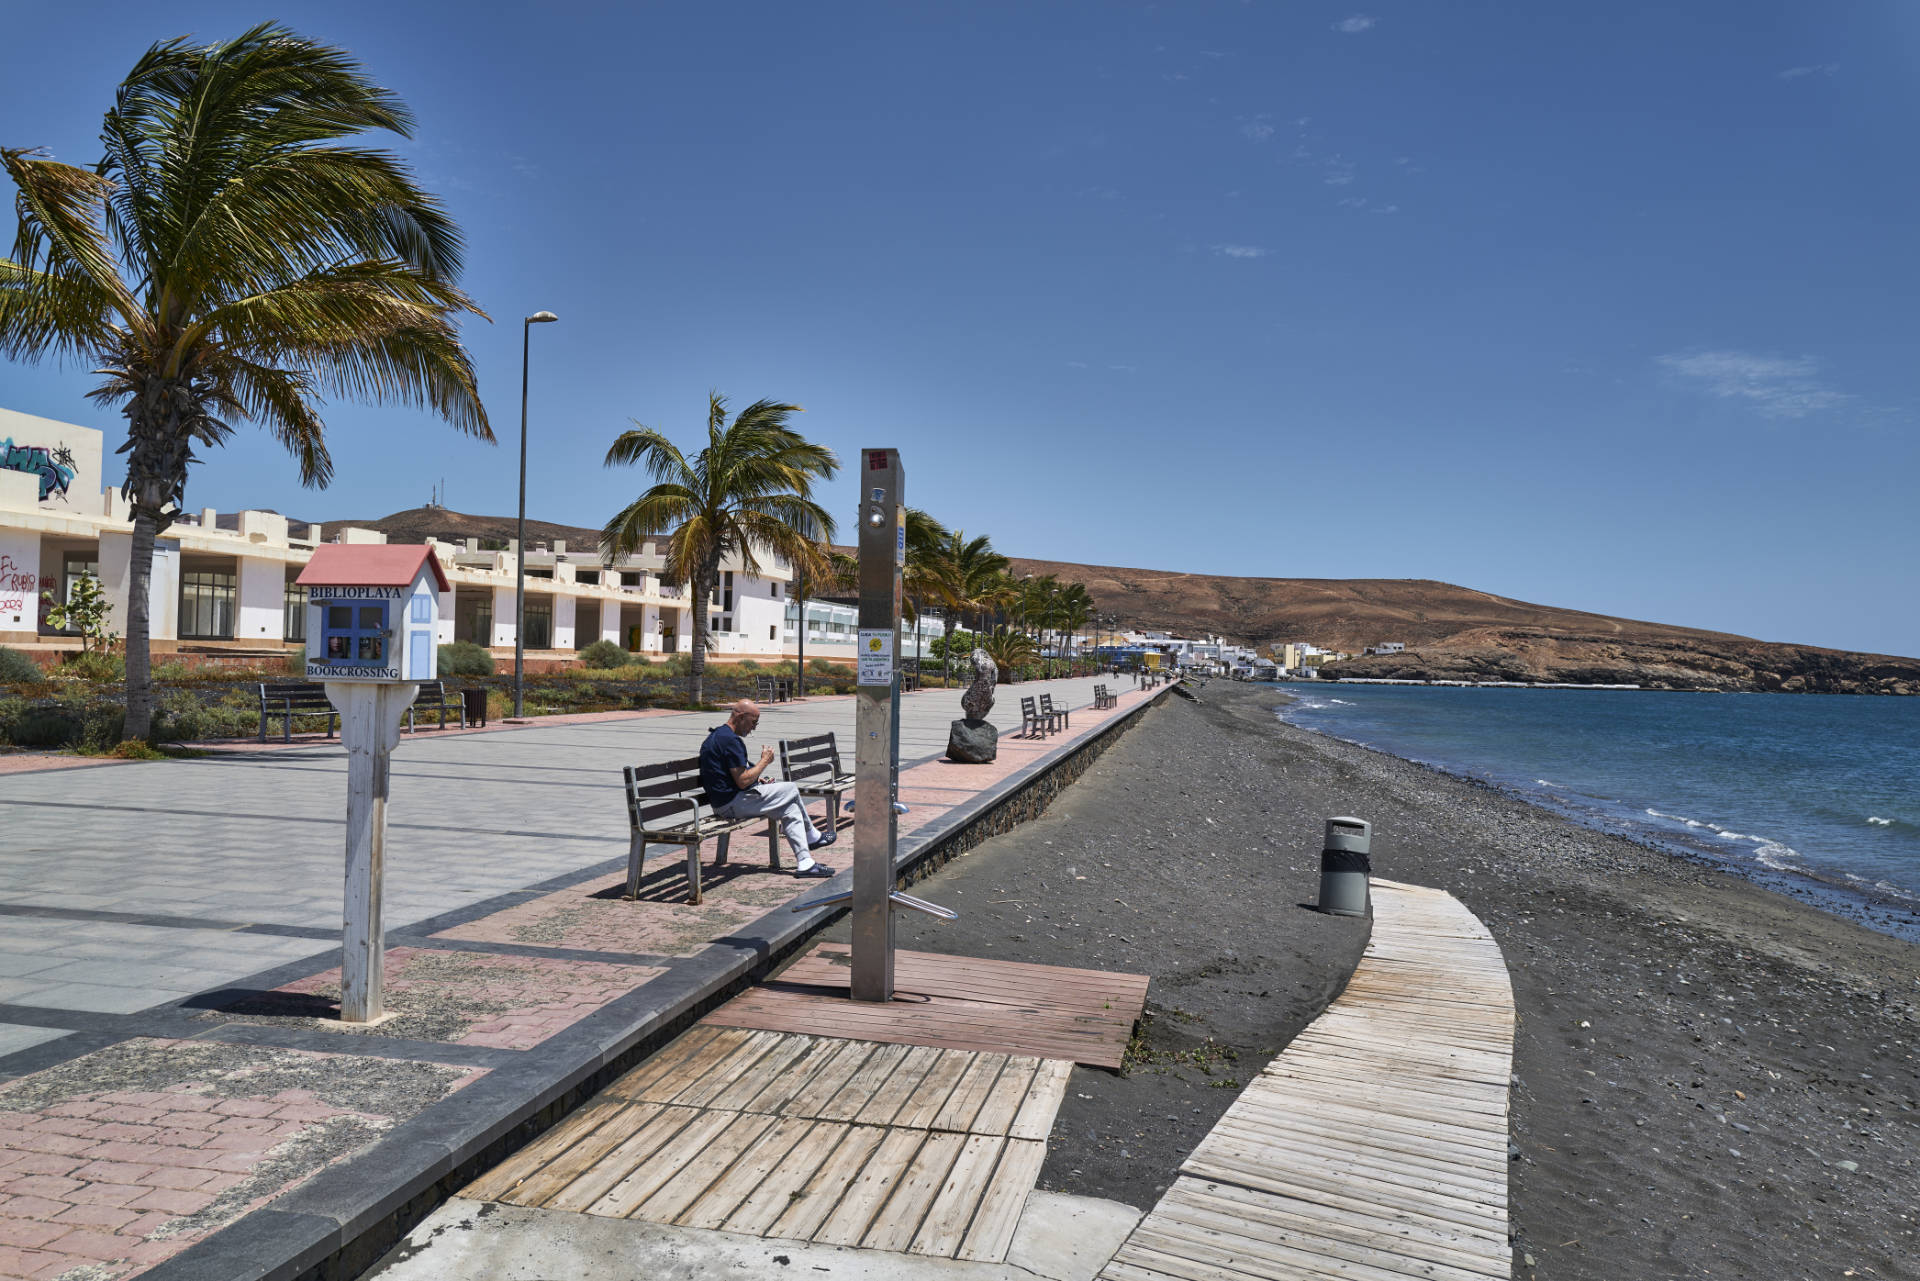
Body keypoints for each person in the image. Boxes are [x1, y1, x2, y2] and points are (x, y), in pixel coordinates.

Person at [698, 700, 835, 878]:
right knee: (791, 788)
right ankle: (812, 836)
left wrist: (757, 780)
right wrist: (764, 761)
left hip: (729, 800)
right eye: (753, 722)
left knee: (790, 808)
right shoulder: (730, 741)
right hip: (731, 804)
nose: (754, 728)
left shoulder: (720, 735)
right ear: (740, 717)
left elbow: (737, 776)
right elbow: (742, 781)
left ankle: (805, 863)